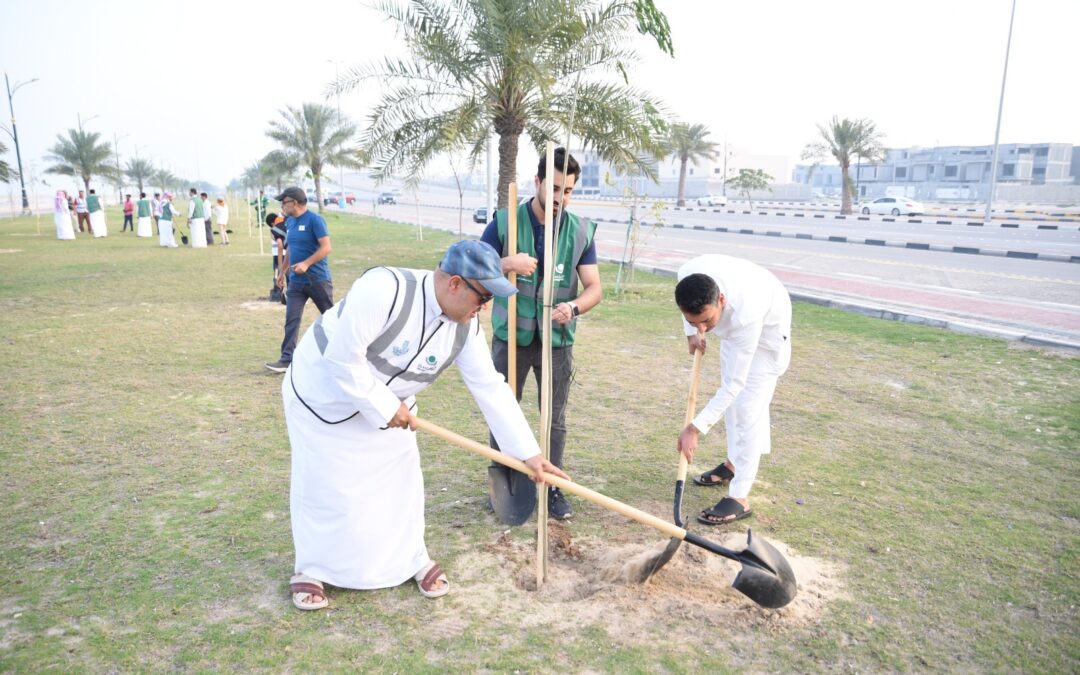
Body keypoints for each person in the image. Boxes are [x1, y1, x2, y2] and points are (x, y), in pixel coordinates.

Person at [282, 239, 569, 611]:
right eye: (482, 298)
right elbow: (341, 359)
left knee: (401, 483)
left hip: (391, 407)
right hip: (323, 396)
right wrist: (383, 405)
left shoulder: (466, 327)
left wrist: (529, 454)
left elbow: (490, 388)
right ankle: (312, 568)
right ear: (454, 284)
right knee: (325, 485)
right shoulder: (384, 288)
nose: (483, 309)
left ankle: (410, 559)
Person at [479, 147, 600, 520]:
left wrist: (575, 307)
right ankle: (506, 482)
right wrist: (507, 263)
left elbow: (593, 287)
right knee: (504, 411)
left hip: (556, 344)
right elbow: (474, 269)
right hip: (511, 337)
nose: (562, 198)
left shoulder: (579, 230)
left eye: (569, 191)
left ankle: (553, 489)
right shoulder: (504, 222)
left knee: (554, 417)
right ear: (538, 182)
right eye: (556, 188)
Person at [674, 254, 792, 526]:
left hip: (767, 335)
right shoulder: (687, 273)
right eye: (694, 321)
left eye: (706, 321)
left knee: (748, 408)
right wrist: (689, 331)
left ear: (722, 301)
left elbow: (733, 386)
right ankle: (733, 464)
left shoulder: (745, 316)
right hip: (736, 322)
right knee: (735, 409)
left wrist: (694, 428)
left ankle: (739, 497)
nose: (703, 329)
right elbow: (694, 315)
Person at [264, 187, 334, 373]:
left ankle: (342, 354)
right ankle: (287, 359)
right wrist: (282, 272)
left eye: (283, 202)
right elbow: (292, 249)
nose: (281, 206)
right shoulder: (290, 222)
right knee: (291, 319)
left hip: (317, 280)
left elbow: (326, 248)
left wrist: (307, 263)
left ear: (294, 202)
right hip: (296, 281)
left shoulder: (315, 220)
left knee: (331, 319)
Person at [267, 212, 287, 304]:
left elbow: (279, 244)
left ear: (271, 223)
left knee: (277, 273)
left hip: (278, 255)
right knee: (288, 275)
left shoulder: (274, 230)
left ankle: (278, 292)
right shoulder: (285, 223)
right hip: (288, 254)